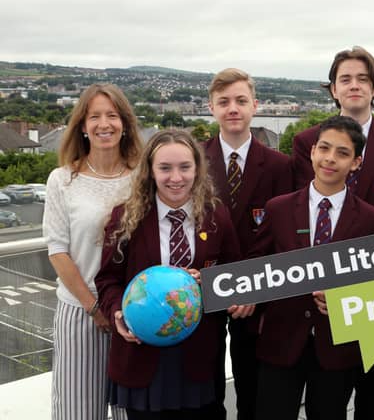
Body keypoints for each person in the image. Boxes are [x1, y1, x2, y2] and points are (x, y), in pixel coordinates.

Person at [291, 46, 374, 419]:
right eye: (345, 79)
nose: (354, 86)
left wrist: (371, 286)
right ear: (333, 89)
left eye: (363, 79)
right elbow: (306, 220)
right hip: (321, 295)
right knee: (325, 401)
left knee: (371, 397)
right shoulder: (307, 142)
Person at [95, 130, 253, 419]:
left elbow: (234, 275)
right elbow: (107, 280)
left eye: (184, 167)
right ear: (150, 172)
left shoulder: (216, 216)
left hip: (199, 359)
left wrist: (214, 284)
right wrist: (118, 311)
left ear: (197, 168)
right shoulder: (125, 218)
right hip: (142, 356)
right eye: (165, 168)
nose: (176, 178)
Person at [251, 115, 374, 420]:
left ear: (356, 162)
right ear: (312, 152)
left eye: (342, 153)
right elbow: (255, 266)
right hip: (280, 343)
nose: (330, 159)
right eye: (324, 148)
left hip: (337, 349)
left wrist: (347, 297)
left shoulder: (370, 219)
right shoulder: (278, 209)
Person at [44, 83, 142, 420]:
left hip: (134, 315)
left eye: (112, 115)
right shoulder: (63, 180)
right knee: (78, 411)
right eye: (95, 116)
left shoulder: (142, 178)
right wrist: (94, 306)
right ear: (82, 126)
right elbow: (58, 251)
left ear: (125, 123)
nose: (105, 124)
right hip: (80, 312)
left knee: (128, 411)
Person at [203, 68, 293, 420]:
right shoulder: (193, 161)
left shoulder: (280, 166)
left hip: (256, 296)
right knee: (205, 391)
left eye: (241, 101)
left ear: (255, 106)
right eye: (224, 102)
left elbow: (283, 232)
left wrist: (253, 287)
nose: (233, 109)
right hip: (206, 288)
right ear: (211, 108)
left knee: (253, 394)